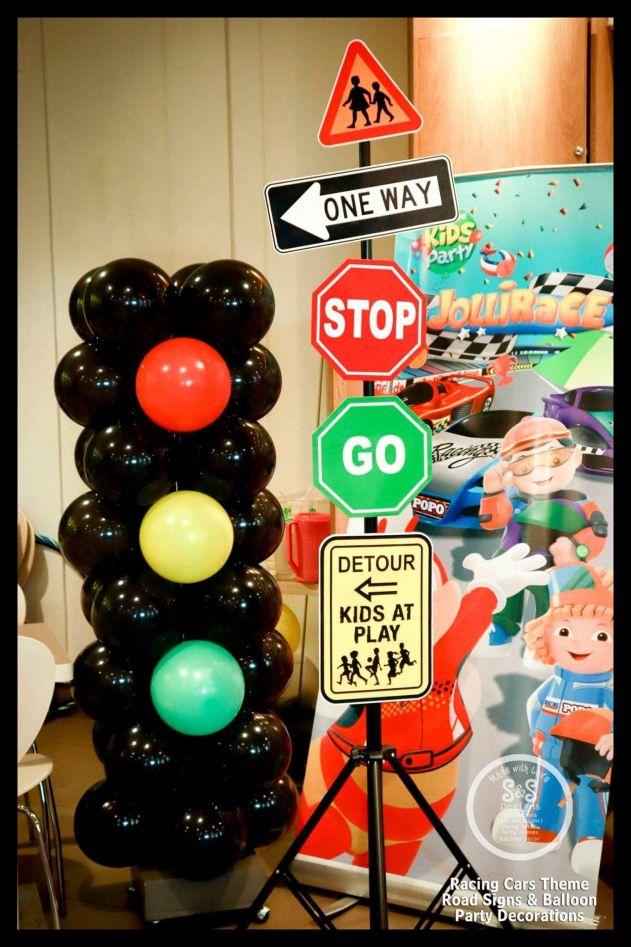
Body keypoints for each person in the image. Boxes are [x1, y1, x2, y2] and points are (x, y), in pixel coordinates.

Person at [297, 545, 548, 874]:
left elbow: (470, 615)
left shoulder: (444, 652)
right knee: (313, 870)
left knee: (386, 885)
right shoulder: (370, 646)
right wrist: (489, 588)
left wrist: (491, 587)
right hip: (340, 786)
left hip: (414, 815)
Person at [492, 561, 613, 879]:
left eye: (601, 635)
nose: (579, 643)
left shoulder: (603, 689)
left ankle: (591, 839)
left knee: (591, 792)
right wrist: (537, 733)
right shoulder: (555, 682)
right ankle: (541, 827)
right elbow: (534, 703)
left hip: (592, 757)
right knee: (546, 788)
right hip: (550, 752)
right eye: (565, 631)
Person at [479, 416, 608, 645]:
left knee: (550, 602)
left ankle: (545, 640)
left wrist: (575, 549)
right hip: (510, 561)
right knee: (503, 597)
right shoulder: (515, 501)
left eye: (554, 459)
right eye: (524, 466)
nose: (539, 473)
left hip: (552, 565)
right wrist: (493, 492)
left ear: (575, 456)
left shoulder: (580, 503)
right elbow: (491, 521)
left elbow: (597, 532)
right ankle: (500, 626)